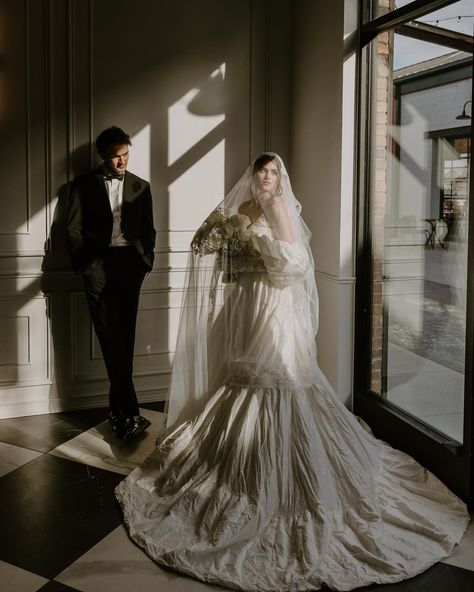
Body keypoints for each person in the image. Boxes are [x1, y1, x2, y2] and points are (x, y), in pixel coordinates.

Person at [116, 153, 468, 591]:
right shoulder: (241, 209)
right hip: (246, 305)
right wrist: (230, 243)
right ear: (251, 176)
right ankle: (231, 469)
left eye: (274, 172)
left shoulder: (278, 208)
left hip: (273, 309)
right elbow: (216, 254)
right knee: (241, 382)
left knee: (279, 382)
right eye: (262, 172)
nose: (267, 178)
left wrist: (255, 244)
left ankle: (289, 474)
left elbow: (296, 266)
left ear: (280, 178)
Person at [66, 126, 156, 441]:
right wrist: (87, 267)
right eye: (116, 156)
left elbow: (148, 229)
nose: (121, 162)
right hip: (99, 268)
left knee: (125, 338)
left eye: (126, 155)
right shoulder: (82, 186)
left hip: (130, 266)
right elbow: (72, 229)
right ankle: (128, 414)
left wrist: (146, 262)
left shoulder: (140, 186)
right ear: (103, 155)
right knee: (110, 338)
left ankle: (120, 414)